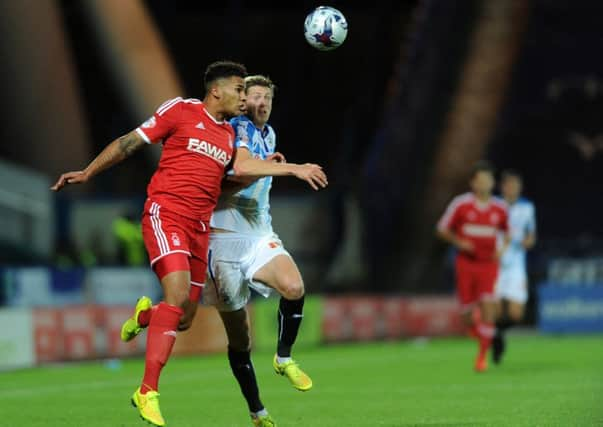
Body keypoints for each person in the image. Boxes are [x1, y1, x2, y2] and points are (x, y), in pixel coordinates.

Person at [51, 61, 327, 427]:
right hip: (166, 214)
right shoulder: (181, 110)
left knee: (183, 317)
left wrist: (263, 168)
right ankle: (147, 391)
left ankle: (147, 315)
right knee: (179, 296)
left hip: (199, 230)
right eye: (240, 91)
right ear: (217, 91)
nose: (244, 99)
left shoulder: (229, 137)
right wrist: (88, 171)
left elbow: (226, 184)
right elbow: (130, 141)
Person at [436, 161, 510, 372]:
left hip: (488, 265)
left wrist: (502, 249)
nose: (484, 184)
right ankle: (483, 332)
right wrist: (459, 242)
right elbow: (442, 229)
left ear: (492, 183)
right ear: (473, 183)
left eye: (488, 180)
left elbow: (508, 232)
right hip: (466, 264)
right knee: (467, 318)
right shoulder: (461, 204)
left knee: (488, 307)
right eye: (480, 180)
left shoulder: (500, 208)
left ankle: (481, 357)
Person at [492, 170, 536, 364]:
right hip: (495, 263)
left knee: (516, 314)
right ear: (503, 187)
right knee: (498, 311)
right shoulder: (494, 206)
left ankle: (498, 334)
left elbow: (531, 234)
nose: (513, 189)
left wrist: (528, 241)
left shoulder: (527, 207)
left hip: (516, 265)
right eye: (510, 185)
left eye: (516, 186)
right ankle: (497, 339)